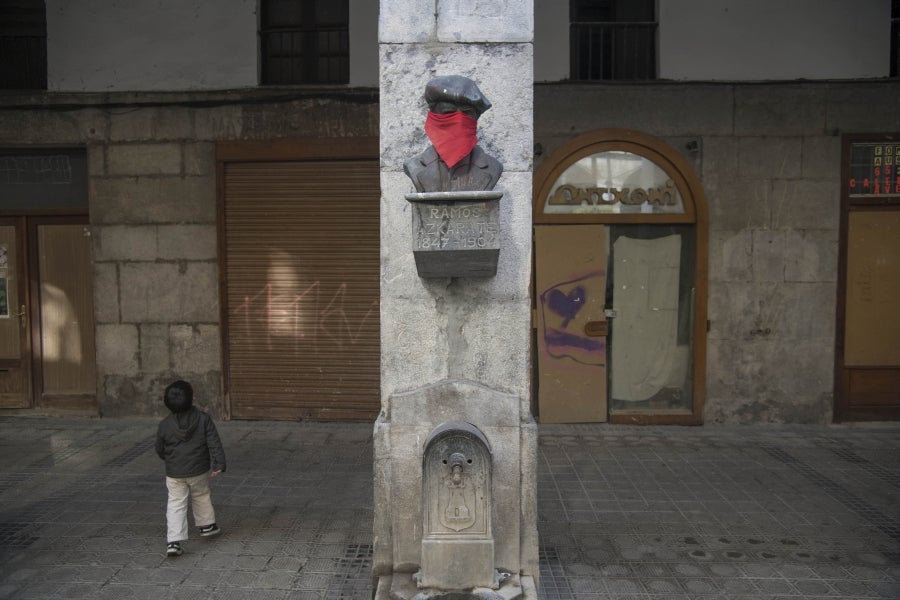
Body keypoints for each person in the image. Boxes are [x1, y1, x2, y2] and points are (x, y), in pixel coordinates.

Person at [155, 380, 226, 557]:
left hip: (174, 473)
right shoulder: (203, 419)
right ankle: (207, 525)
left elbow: (159, 448)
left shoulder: (164, 425)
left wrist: (168, 459)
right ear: (192, 398)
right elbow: (214, 442)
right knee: (201, 495)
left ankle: (174, 541)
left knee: (176, 503)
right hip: (198, 470)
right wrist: (219, 463)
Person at [404, 75, 503, 193]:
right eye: (449, 112)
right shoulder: (414, 166)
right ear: (433, 117)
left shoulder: (493, 167)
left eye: (467, 114)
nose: (459, 121)